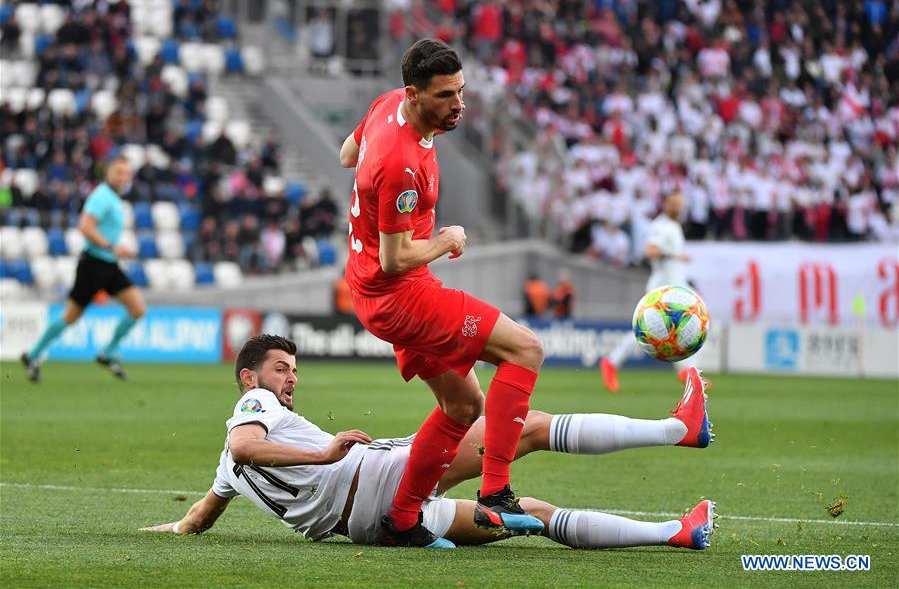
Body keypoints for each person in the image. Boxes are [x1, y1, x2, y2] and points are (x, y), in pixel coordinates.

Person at [141, 334, 717, 551]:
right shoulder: (252, 407)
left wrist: (170, 528)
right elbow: (245, 444)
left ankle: (675, 533)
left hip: (369, 530)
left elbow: (201, 515)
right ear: (249, 378)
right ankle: (677, 430)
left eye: (293, 370)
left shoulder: (227, 468)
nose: (289, 379)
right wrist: (322, 454)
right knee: (528, 427)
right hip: (376, 479)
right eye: (279, 369)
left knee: (534, 516)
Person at [337, 38, 546, 545]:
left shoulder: (386, 105)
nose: (459, 104)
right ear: (414, 93)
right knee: (526, 349)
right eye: (446, 95)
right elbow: (395, 257)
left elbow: (347, 153)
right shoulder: (400, 161)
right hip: (399, 293)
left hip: (375, 288)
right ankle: (496, 490)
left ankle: (404, 518)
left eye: (461, 91)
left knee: (463, 407)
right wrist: (445, 240)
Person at [21, 157, 145, 382]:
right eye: (118, 172)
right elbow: (85, 226)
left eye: (126, 173)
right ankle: (33, 354)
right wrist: (112, 247)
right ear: (108, 173)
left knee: (137, 308)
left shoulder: (115, 199)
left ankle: (108, 352)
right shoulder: (101, 196)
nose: (122, 177)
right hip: (93, 264)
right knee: (70, 316)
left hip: (109, 264)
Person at [600, 191, 697, 393]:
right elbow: (650, 250)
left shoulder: (674, 226)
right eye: (675, 204)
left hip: (676, 287)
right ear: (666, 205)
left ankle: (686, 370)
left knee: (687, 324)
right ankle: (611, 361)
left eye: (681, 205)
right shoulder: (661, 226)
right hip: (662, 291)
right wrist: (675, 256)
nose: (678, 208)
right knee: (648, 332)